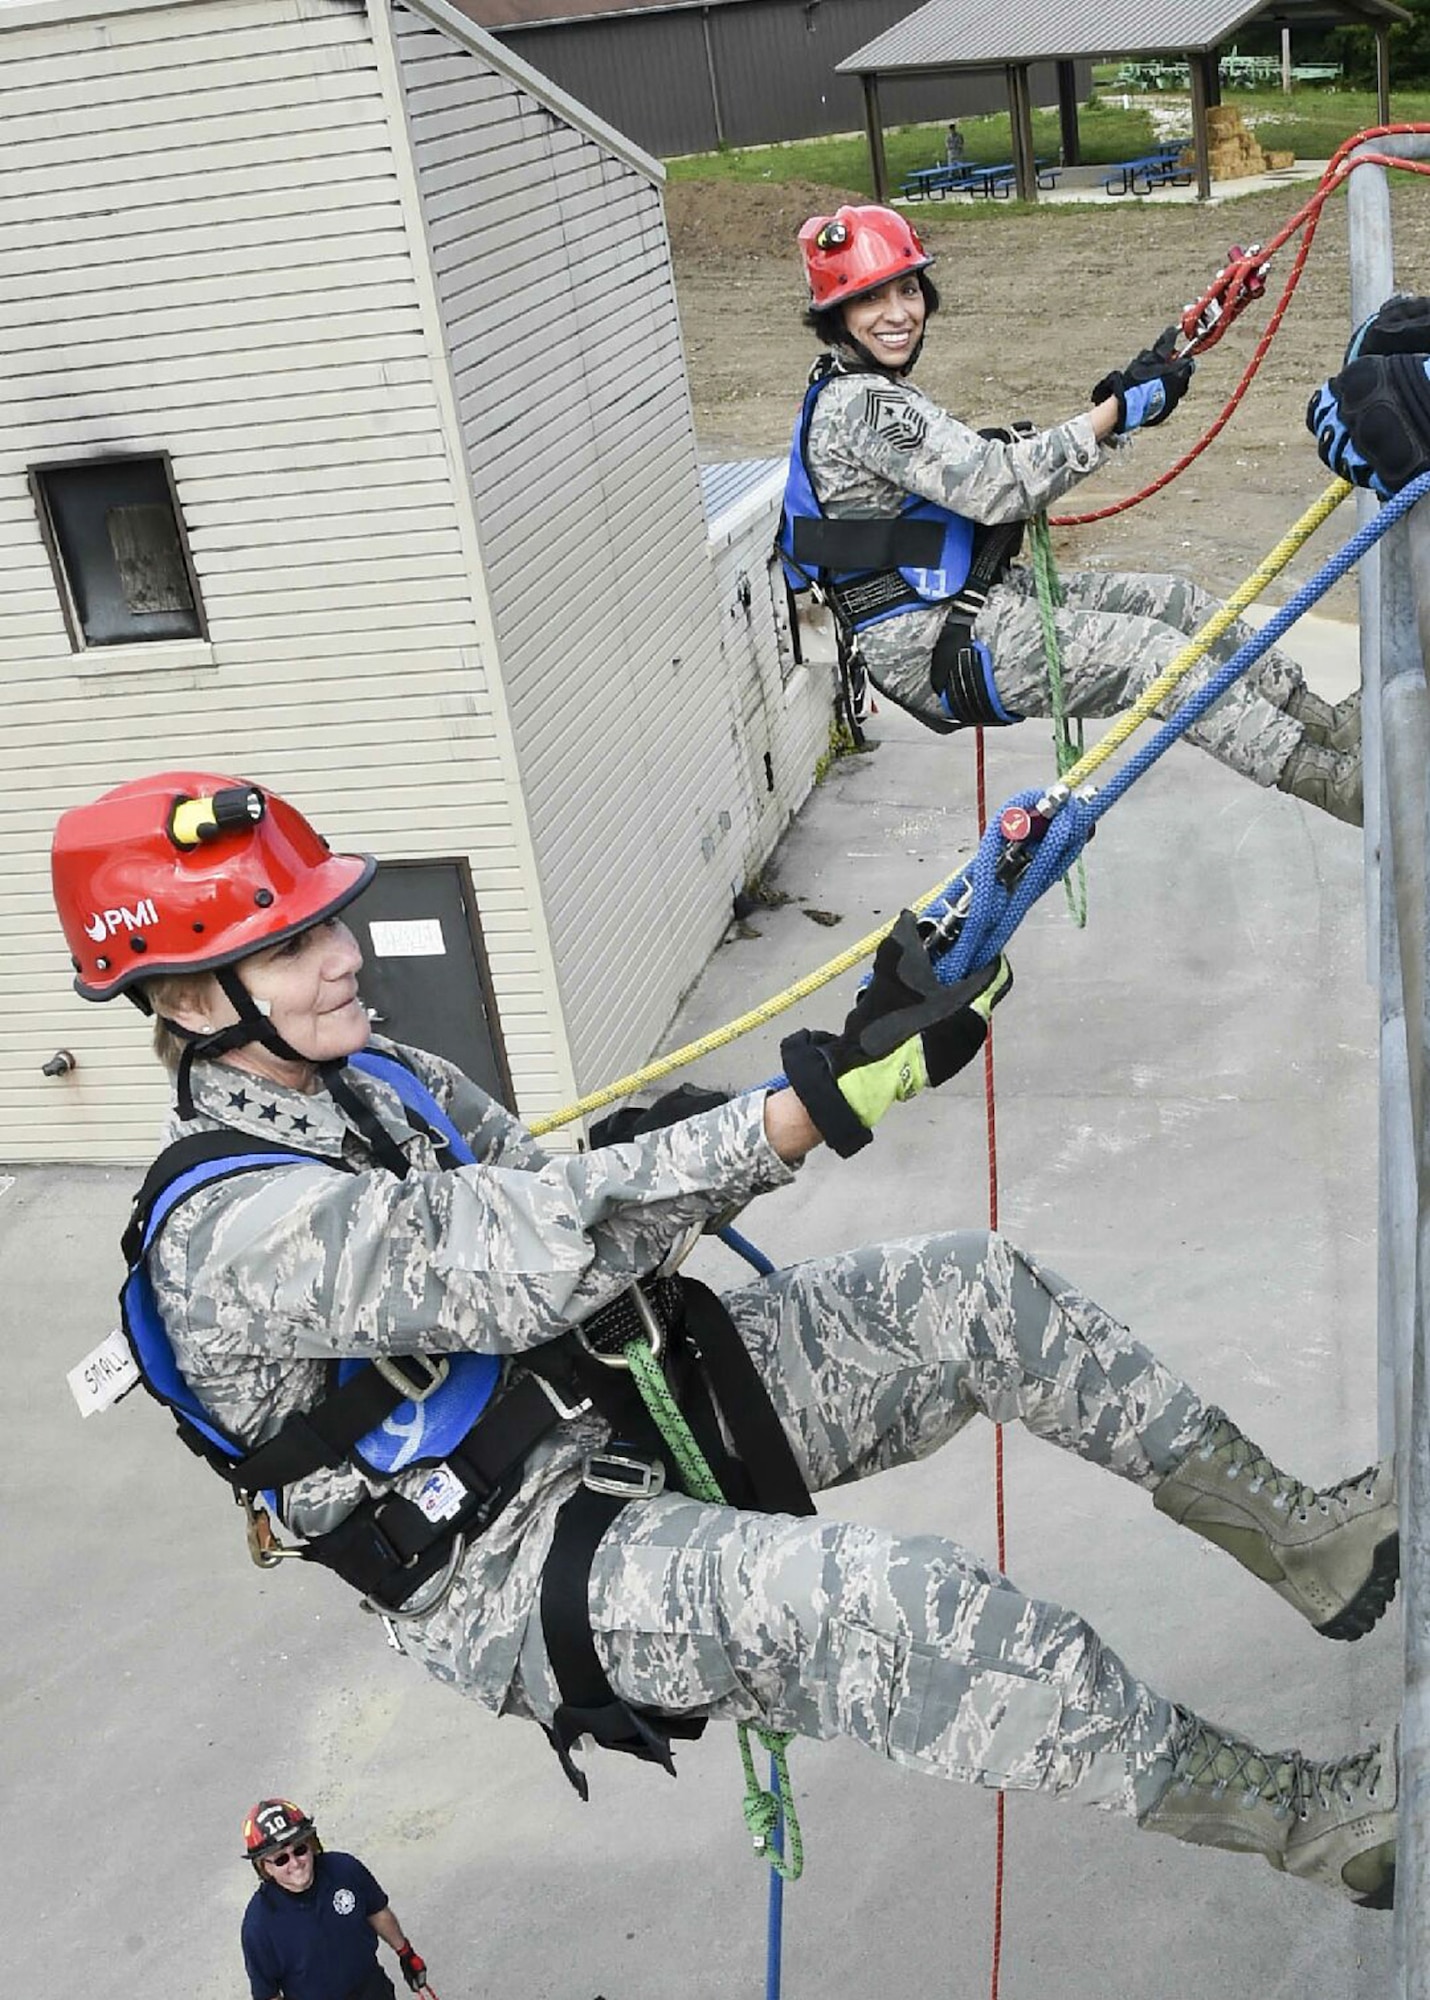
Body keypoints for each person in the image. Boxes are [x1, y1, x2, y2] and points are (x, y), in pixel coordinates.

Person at [56, 772, 1399, 1912]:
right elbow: (536, 1257)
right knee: (917, 1614)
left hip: (610, 1400)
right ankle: (1320, 1825)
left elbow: (557, 1188)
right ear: (181, 1000)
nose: (343, 953)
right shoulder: (225, 1232)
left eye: (329, 921)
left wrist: (864, 1023)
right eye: (291, 946)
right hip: (511, 1561)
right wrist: (813, 1106)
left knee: (969, 1292)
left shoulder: (386, 1080)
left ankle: (1306, 1541)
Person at [778, 204, 1363, 823]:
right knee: (1152, 655)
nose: (897, 314)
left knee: (1177, 603)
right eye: (870, 299)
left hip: (962, 601)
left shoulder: (872, 390)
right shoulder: (862, 404)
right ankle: (1324, 778)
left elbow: (974, 471)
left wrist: (1127, 400)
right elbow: (996, 485)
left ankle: (1321, 724)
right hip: (925, 639)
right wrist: (1115, 413)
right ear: (836, 316)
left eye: (907, 289)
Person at [240, 1798, 431, 2000]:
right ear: (264, 1868)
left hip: (372, 1990)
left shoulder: (345, 1870)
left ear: (311, 1844)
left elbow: (377, 1912)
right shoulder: (259, 1925)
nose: (295, 1863)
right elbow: (268, 1994)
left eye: (299, 1849)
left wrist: (406, 1953)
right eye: (281, 1859)